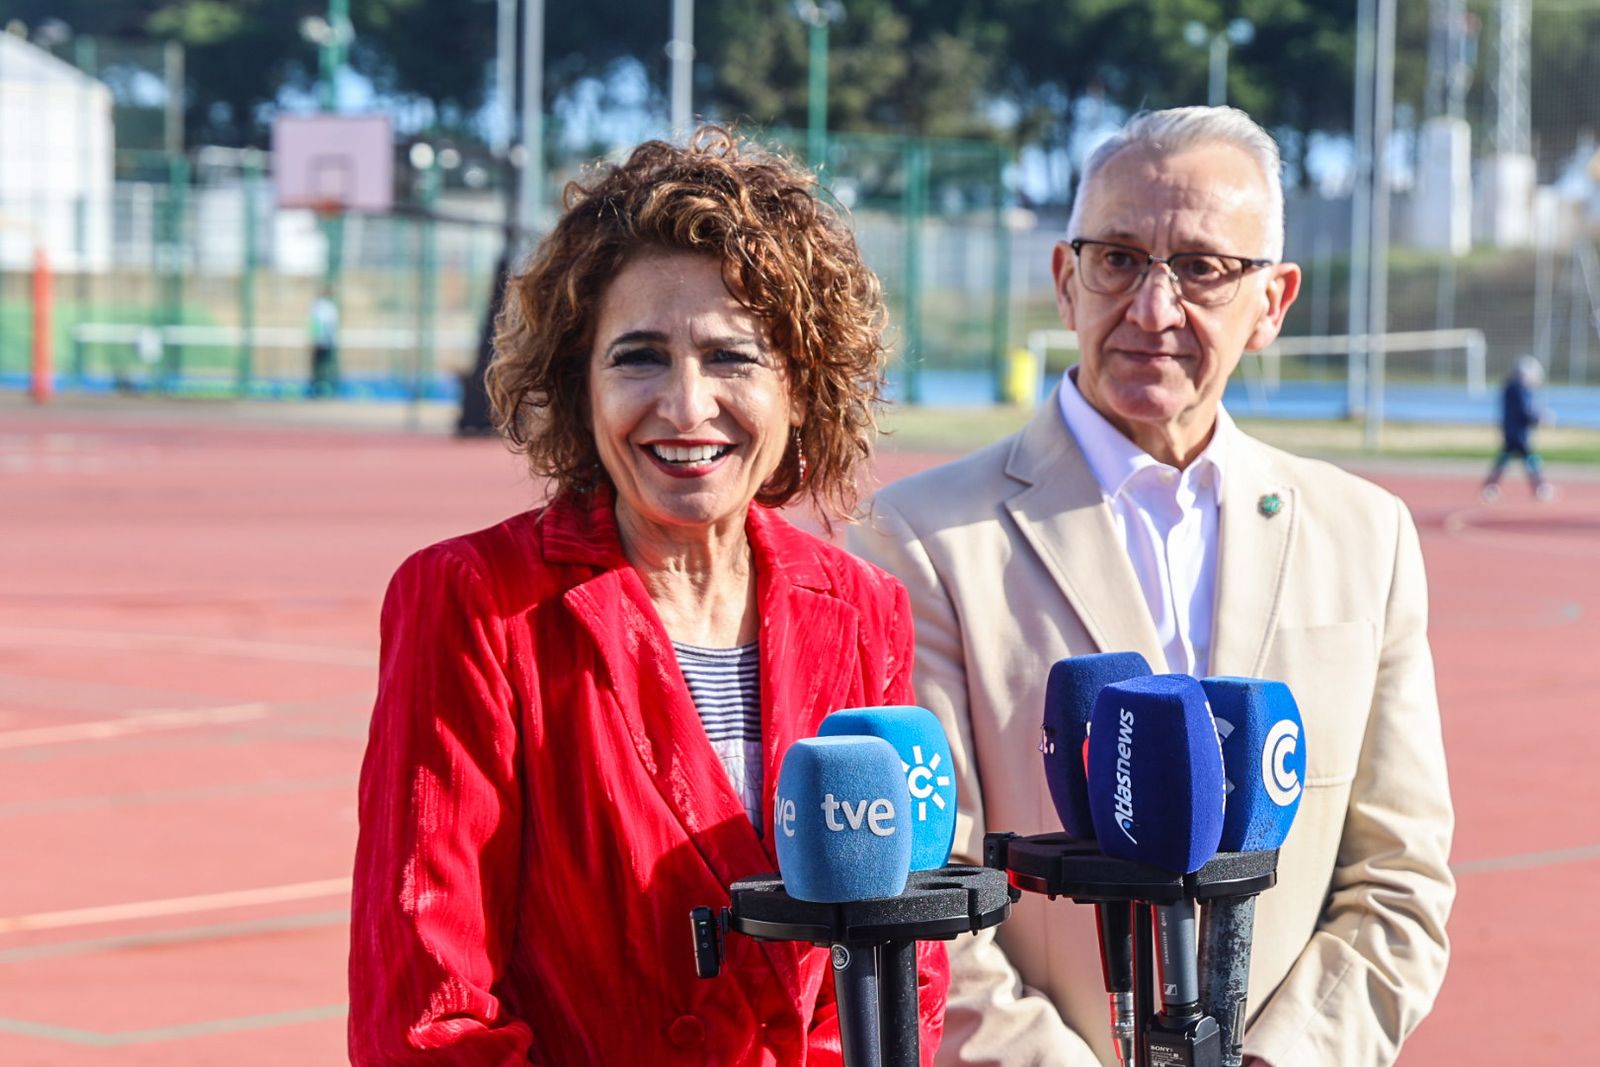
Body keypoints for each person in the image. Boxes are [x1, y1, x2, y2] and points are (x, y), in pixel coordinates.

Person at [851, 107, 1454, 1067]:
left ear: (1273, 302)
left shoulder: (1365, 535)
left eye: (1204, 267)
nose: (1154, 309)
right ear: (1065, 279)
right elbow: (927, 892)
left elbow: (1401, 880)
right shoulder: (920, 537)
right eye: (1119, 258)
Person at [349, 127, 949, 1064]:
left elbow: (897, 964)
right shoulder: (472, 604)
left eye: (733, 358)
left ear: (801, 385)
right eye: (637, 357)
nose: (685, 406)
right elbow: (427, 1011)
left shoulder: (863, 607)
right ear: (576, 384)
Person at [1481, 353, 1553, 501]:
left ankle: (1490, 486)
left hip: (1514, 431)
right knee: (1529, 459)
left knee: (1506, 459)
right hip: (1517, 433)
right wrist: (1538, 418)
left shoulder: (1513, 388)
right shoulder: (1516, 389)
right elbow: (1523, 411)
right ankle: (1540, 487)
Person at [308, 288, 339, 397]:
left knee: (321, 366)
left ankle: (321, 390)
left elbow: (320, 324)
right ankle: (319, 389)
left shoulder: (323, 307)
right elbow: (316, 324)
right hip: (324, 341)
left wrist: (318, 339)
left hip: (323, 341)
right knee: (320, 366)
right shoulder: (323, 306)